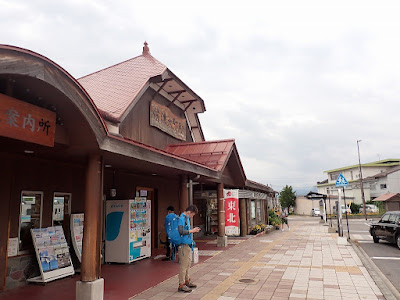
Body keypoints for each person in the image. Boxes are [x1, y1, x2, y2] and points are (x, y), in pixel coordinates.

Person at [177, 205, 201, 293]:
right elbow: (181, 231)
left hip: (187, 244)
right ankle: (181, 284)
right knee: (183, 265)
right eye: (192, 215)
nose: (192, 217)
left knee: (187, 264)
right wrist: (192, 231)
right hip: (183, 245)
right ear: (189, 212)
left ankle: (187, 281)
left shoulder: (185, 218)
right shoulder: (181, 219)